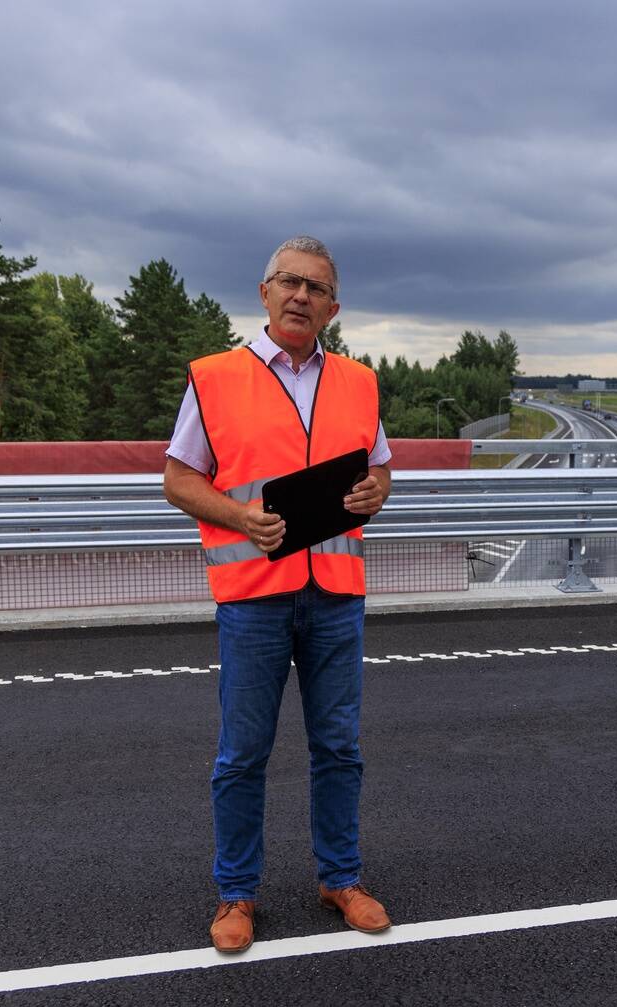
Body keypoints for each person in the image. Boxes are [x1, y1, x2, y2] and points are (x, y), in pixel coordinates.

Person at [162, 235, 393, 954]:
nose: (300, 295)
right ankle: (236, 893)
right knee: (242, 753)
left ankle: (341, 878)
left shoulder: (359, 382)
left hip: (336, 594)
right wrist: (240, 517)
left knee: (339, 747)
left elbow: (380, 473)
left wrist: (375, 492)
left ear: (332, 308)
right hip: (254, 595)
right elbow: (179, 479)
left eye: (316, 287)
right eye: (289, 282)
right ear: (264, 293)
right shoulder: (215, 378)